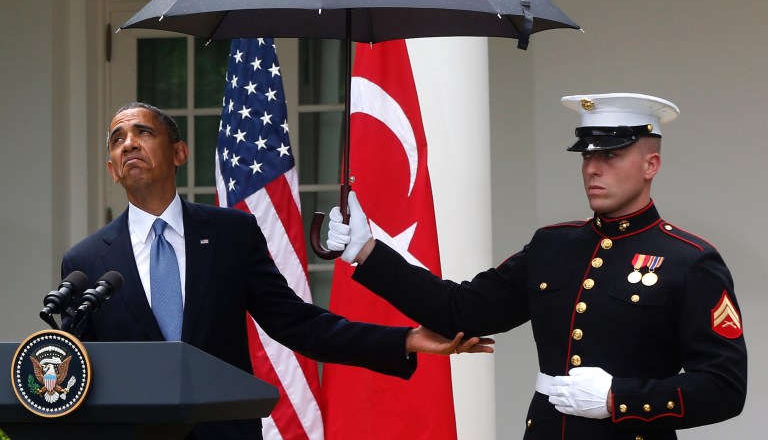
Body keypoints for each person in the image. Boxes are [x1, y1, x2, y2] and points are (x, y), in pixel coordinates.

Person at [326, 93, 748, 439]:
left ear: (650, 165)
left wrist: (617, 398)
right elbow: (460, 311)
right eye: (586, 156)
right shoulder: (553, 245)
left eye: (612, 155)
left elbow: (724, 387)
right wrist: (367, 251)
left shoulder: (689, 261)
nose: (593, 168)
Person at [61, 102, 492, 440]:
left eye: (143, 132)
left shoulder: (231, 234)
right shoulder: (86, 262)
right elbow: (78, 373)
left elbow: (299, 324)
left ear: (178, 153)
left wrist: (406, 339)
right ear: (113, 170)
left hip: (225, 434)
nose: (129, 143)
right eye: (118, 140)